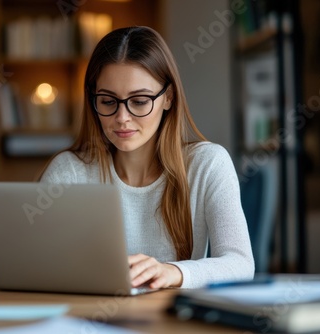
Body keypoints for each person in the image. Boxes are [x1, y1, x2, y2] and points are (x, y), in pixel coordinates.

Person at [39, 26, 254, 289]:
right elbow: (35, 261)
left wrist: (172, 272)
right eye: (108, 101)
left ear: (168, 98)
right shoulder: (69, 171)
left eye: (139, 101)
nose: (122, 118)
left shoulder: (208, 164)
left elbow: (240, 264)